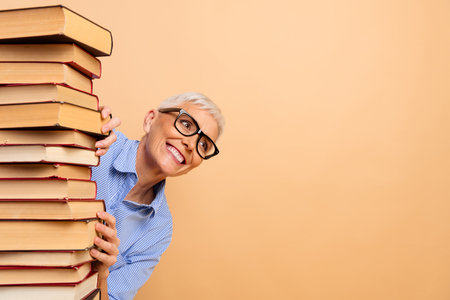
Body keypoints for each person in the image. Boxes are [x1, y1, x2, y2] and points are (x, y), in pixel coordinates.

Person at [91, 92, 225, 300]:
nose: (190, 144)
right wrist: (80, 123)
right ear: (150, 119)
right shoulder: (100, 141)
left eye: (203, 145)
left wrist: (101, 274)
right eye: (187, 125)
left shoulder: (159, 230)